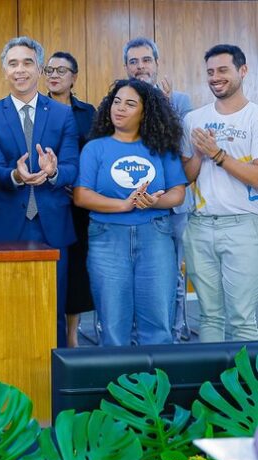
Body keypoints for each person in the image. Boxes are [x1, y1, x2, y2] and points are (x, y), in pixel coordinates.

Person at [0, 36, 79, 348]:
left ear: (40, 70)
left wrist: (54, 172)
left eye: (27, 62)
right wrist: (16, 175)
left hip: (53, 228)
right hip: (4, 228)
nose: (20, 70)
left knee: (52, 311)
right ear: (4, 70)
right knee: (3, 309)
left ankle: (55, 383)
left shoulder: (63, 115)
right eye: (13, 63)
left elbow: (73, 167)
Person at [74, 78, 187, 346]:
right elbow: (81, 195)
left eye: (129, 104)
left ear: (145, 112)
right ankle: (116, 387)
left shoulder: (161, 148)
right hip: (107, 238)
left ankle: (155, 388)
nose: (120, 108)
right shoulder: (95, 147)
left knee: (158, 325)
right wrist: (124, 205)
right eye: (116, 102)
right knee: (113, 327)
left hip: (156, 236)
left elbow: (177, 193)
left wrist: (154, 202)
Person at [181, 44, 258, 343]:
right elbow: (186, 178)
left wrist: (218, 154)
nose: (215, 77)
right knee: (209, 316)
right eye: (210, 72)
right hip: (199, 226)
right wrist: (199, 156)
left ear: (243, 71)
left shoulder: (254, 117)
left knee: (244, 317)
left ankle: (247, 390)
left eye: (223, 70)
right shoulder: (193, 119)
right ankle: (209, 388)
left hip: (243, 226)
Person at [123, 36, 193, 342]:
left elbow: (181, 149)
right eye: (133, 61)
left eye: (146, 60)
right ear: (126, 67)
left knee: (174, 275)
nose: (140, 67)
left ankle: (175, 333)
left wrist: (163, 106)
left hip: (173, 205)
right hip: (136, 205)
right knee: (138, 274)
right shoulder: (121, 102)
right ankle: (138, 336)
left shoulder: (179, 101)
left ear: (157, 63)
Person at [45, 51, 96, 348]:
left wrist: (77, 185)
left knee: (74, 270)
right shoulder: (34, 108)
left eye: (61, 70)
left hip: (76, 205)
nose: (54, 75)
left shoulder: (88, 113)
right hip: (42, 198)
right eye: (49, 70)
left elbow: (95, 156)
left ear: (74, 77)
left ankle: (72, 336)